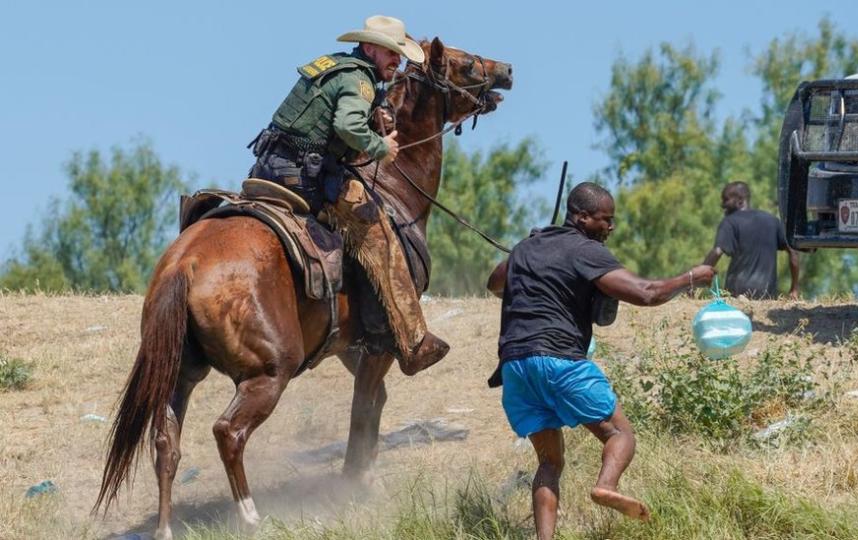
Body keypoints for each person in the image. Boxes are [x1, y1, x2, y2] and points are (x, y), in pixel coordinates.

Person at [486, 182, 715, 539]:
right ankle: (606, 485)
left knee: (548, 462)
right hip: (560, 360)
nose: (610, 227)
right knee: (620, 434)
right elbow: (646, 293)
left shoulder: (528, 245)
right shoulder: (586, 250)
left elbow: (495, 282)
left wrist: (528, 251)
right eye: (605, 219)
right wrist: (691, 277)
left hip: (515, 367)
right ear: (581, 217)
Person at [247, 15, 448, 372]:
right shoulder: (361, 80)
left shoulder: (335, 67)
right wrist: (380, 146)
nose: (397, 61)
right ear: (369, 47)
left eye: (399, 55)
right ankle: (414, 340)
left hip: (268, 169)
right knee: (380, 233)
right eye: (391, 53)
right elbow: (346, 124)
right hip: (307, 179)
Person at [702, 181, 800, 299]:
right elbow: (793, 251)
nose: (722, 205)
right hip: (767, 296)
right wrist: (794, 288)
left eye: (726, 200)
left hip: (737, 293)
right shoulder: (772, 221)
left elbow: (717, 252)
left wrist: (695, 279)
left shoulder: (730, 222)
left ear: (740, 200)